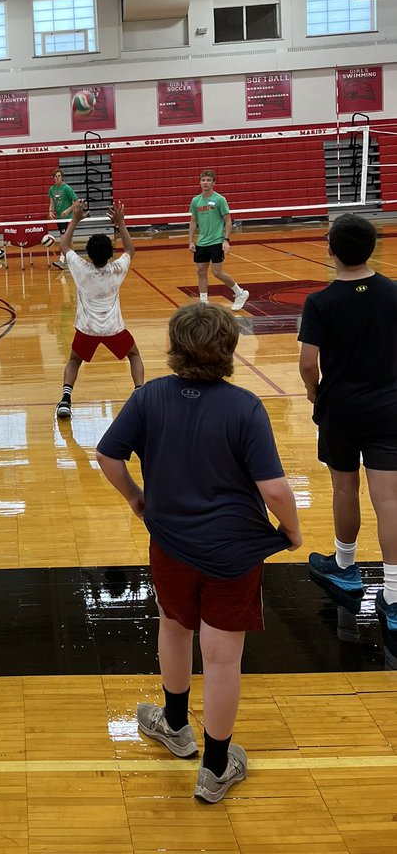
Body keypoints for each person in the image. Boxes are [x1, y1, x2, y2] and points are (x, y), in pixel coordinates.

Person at [95, 302, 300, 804]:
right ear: (229, 350)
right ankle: (214, 768)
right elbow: (273, 489)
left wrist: (135, 498)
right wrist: (291, 531)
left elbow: (106, 454)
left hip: (171, 543)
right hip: (233, 554)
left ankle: (175, 724)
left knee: (172, 624)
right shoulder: (244, 407)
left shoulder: (148, 398)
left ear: (174, 347)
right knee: (222, 658)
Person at [297, 213, 397, 636]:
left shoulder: (320, 302)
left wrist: (315, 392)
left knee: (344, 486)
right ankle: (393, 594)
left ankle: (345, 566)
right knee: (389, 500)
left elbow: (307, 363)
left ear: (331, 249)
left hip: (340, 410)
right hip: (389, 409)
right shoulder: (394, 293)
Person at [56, 198, 144, 419]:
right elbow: (130, 250)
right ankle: (140, 394)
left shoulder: (81, 268)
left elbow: (64, 246)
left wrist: (74, 220)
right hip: (114, 328)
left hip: (87, 329)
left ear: (88, 253)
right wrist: (120, 223)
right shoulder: (117, 269)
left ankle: (65, 400)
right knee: (134, 355)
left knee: (74, 361)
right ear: (109, 254)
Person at [188, 169, 249, 311]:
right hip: (202, 242)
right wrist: (191, 241)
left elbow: (228, 221)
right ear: (200, 182)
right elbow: (192, 221)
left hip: (216, 240)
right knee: (201, 271)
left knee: (217, 272)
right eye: (203, 180)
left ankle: (240, 293)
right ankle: (204, 302)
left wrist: (226, 240)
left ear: (214, 183)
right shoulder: (195, 200)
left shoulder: (220, 199)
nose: (205, 183)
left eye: (208, 180)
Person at [47, 168, 77, 270]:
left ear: (62, 177)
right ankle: (73, 261)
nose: (57, 178)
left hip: (67, 217)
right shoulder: (51, 189)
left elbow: (77, 201)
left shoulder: (67, 188)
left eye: (59, 176)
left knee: (63, 238)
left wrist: (68, 211)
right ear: (53, 178)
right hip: (59, 218)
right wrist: (50, 212)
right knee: (68, 239)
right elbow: (52, 203)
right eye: (56, 176)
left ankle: (62, 260)